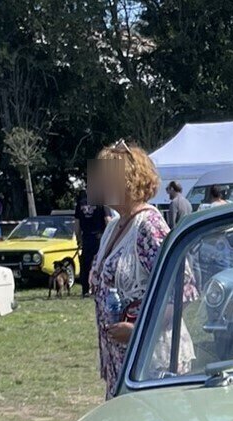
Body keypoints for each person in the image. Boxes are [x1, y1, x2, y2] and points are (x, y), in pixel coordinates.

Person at [88, 141, 177, 397]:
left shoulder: (149, 225)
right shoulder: (113, 227)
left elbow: (182, 291)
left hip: (151, 364)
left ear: (127, 181)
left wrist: (140, 331)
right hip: (121, 363)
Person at [73, 186, 107, 299]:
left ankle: (85, 290)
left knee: (85, 265)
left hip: (86, 237)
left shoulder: (80, 204)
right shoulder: (102, 202)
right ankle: (101, 288)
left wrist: (79, 239)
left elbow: (77, 225)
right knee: (101, 263)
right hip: (99, 237)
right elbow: (108, 220)